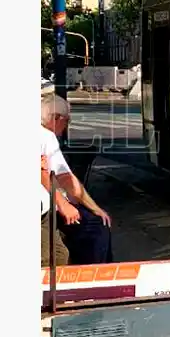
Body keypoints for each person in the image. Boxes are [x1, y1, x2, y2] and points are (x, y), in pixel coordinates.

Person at [41, 95, 115, 264]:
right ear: (55, 118)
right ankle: (97, 277)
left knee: (60, 254)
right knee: (97, 228)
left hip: (49, 206)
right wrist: (94, 208)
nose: (67, 125)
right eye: (67, 120)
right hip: (47, 208)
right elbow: (65, 179)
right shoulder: (46, 137)